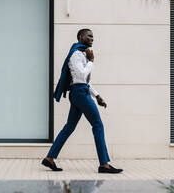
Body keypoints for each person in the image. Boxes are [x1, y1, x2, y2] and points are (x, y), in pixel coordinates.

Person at [41, 28, 123, 174]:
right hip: (79, 93)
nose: (92, 38)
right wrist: (91, 61)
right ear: (80, 37)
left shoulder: (82, 54)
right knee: (97, 125)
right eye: (89, 36)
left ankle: (49, 158)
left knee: (69, 127)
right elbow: (81, 75)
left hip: (79, 92)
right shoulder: (76, 54)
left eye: (93, 36)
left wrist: (97, 96)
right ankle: (104, 164)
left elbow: (84, 81)